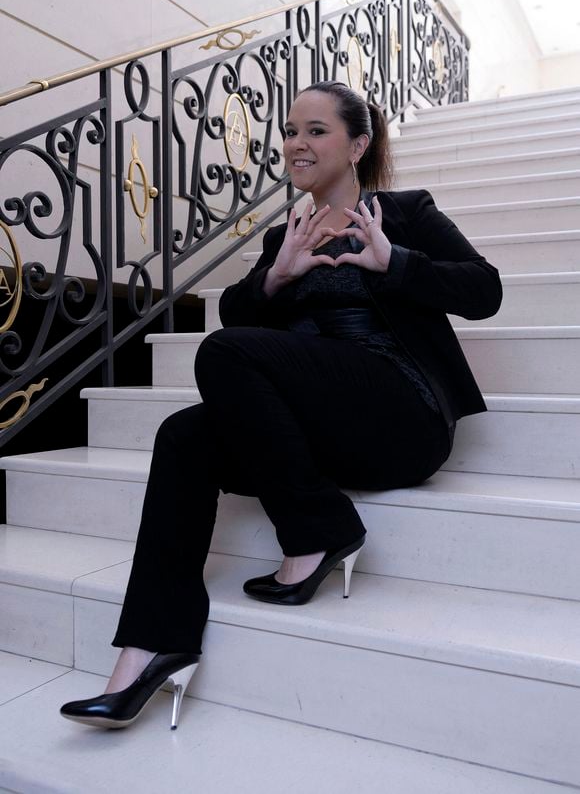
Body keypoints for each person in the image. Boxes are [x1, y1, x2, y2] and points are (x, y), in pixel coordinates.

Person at [60, 80, 502, 731]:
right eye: (291, 130)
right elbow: (239, 312)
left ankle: (318, 529)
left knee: (224, 352)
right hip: (315, 426)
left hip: (401, 413)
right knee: (184, 434)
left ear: (357, 144)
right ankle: (152, 646)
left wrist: (395, 262)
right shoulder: (285, 234)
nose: (296, 143)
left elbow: (484, 290)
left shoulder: (406, 213)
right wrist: (278, 275)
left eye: (315, 131)